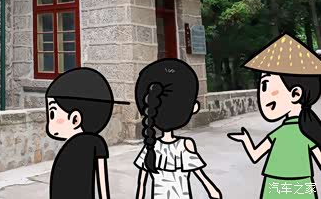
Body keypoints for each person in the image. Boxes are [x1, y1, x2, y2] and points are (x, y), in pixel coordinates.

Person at [228, 33, 321, 199]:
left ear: (295, 94)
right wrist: (246, 139)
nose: (262, 95)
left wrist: (246, 141)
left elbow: (255, 155)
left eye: (265, 85)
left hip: (283, 186)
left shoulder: (297, 132)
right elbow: (256, 155)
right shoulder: (298, 132)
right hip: (288, 185)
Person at [134, 58, 222, 199]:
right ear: (192, 108)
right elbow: (200, 175)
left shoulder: (150, 146)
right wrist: (213, 191)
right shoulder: (185, 145)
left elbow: (141, 184)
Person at [45, 67, 128, 199]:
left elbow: (102, 180)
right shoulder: (80, 144)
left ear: (75, 119)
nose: (50, 121)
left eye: (53, 114)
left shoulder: (93, 143)